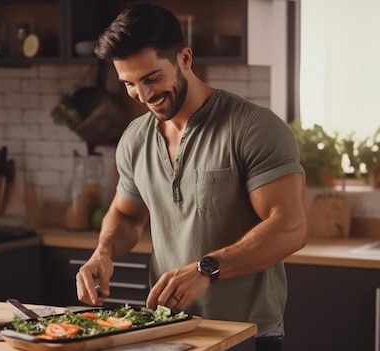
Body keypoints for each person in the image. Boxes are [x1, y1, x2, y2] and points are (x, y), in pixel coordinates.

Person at [75, 3, 308, 350]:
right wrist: (103, 253)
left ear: (184, 58)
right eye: (130, 84)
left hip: (244, 335)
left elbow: (290, 227)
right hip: (167, 330)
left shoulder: (253, 128)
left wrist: (206, 269)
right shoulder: (135, 139)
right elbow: (126, 214)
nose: (144, 95)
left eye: (152, 78)